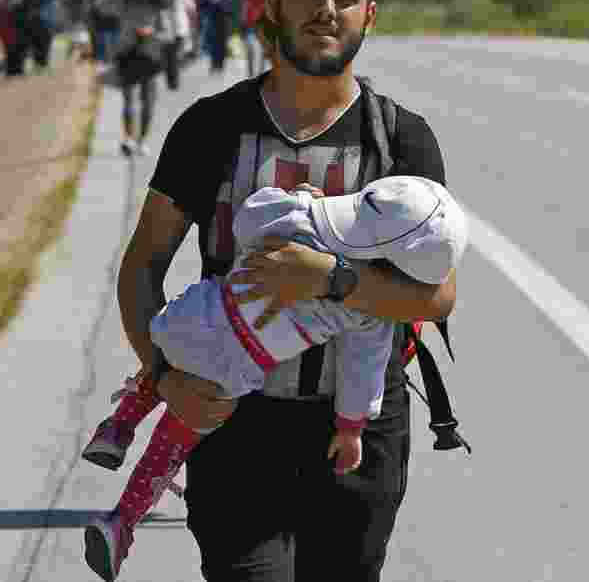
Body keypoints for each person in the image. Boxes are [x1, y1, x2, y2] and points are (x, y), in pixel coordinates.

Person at [111, 0, 456, 582]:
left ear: (369, 16)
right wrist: (167, 376)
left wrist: (333, 281)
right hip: (234, 426)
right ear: (274, 5)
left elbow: (436, 296)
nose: (327, 7)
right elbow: (144, 265)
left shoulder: (401, 141)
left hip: (358, 433)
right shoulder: (211, 127)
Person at [83, 177, 467, 582]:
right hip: (236, 365)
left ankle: (119, 426)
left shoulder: (303, 221)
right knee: (175, 437)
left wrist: (301, 197)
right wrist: (351, 427)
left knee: (169, 357)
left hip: (198, 312)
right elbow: (361, 366)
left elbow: (248, 219)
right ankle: (122, 520)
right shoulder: (369, 308)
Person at [92, 0, 172, 157]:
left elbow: (167, 32)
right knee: (129, 98)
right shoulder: (122, 1)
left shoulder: (156, 3)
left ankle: (141, 140)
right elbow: (100, 5)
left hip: (150, 54)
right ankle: (128, 139)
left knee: (148, 100)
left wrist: (151, 33)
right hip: (127, 53)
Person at [243, 0, 275, 77]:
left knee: (254, 51)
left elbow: (246, 5)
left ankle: (253, 76)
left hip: (255, 23)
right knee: (261, 51)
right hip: (262, 23)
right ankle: (257, 76)